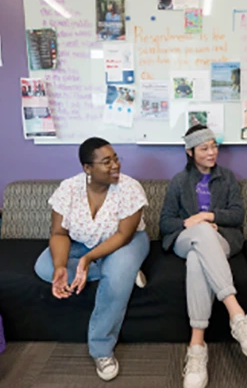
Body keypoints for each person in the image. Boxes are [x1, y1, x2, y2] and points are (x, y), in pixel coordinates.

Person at [160, 125, 247, 388]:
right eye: (204, 148)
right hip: (186, 239)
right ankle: (238, 316)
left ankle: (197, 347)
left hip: (220, 238)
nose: (212, 152)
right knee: (200, 237)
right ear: (189, 151)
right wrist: (193, 224)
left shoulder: (227, 177)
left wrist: (209, 218)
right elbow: (165, 222)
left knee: (199, 258)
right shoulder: (178, 181)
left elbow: (237, 215)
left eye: (214, 146)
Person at [34, 137, 150, 382]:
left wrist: (87, 260)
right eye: (106, 162)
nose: (115, 165)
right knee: (44, 266)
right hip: (80, 242)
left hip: (126, 242)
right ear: (87, 168)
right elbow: (58, 233)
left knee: (116, 278)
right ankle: (124, 271)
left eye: (116, 158)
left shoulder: (129, 188)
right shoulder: (68, 189)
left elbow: (123, 235)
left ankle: (101, 349)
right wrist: (59, 267)